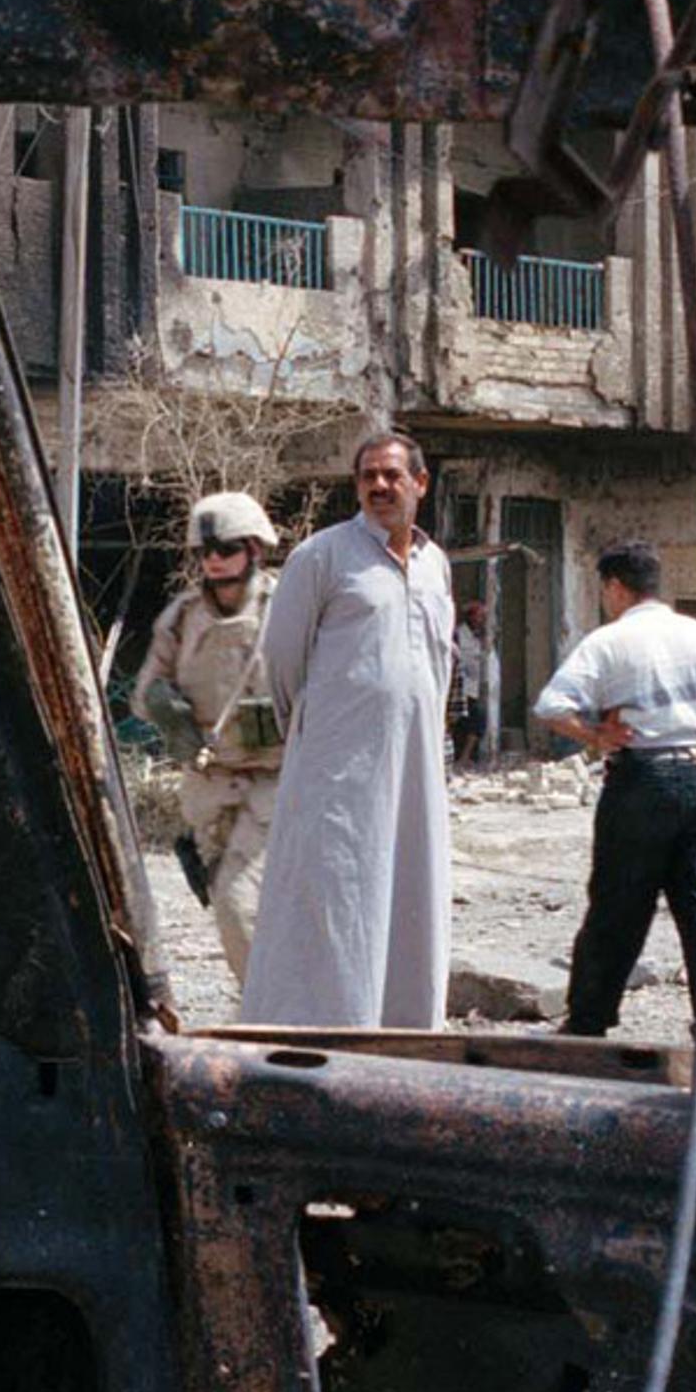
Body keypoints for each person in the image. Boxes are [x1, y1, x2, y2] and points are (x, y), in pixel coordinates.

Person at [239, 434, 456, 1029]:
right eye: (367, 477)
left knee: (411, 884)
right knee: (333, 887)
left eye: (390, 475)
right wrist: (318, 736)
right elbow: (282, 661)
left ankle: (406, 1026)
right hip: (339, 765)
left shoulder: (437, 566)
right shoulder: (322, 557)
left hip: (415, 768)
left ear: (420, 482)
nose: (379, 486)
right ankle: (318, 1024)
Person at [536, 540, 696, 1040]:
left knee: (617, 906)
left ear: (614, 588)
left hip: (640, 779)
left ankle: (589, 1022)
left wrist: (594, 736)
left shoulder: (609, 642)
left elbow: (551, 706)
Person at [135, 491, 282, 984]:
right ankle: (266, 1007)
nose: (215, 561)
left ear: (254, 550)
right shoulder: (181, 618)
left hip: (276, 786)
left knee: (242, 906)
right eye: (207, 552)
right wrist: (166, 711)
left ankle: (270, 1017)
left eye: (228, 549)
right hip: (210, 788)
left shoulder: (284, 610)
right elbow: (144, 693)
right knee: (227, 904)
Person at [450, 598, 498, 765]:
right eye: (479, 616)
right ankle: (459, 757)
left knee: (477, 721)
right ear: (470, 617)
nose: (481, 620)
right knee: (459, 721)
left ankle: (465, 757)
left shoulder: (480, 636)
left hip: (474, 685)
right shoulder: (459, 633)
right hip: (460, 684)